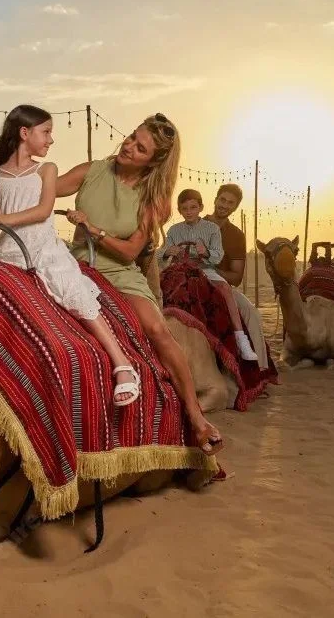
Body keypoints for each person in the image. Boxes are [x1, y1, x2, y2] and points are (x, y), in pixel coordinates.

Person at [56, 113, 223, 455]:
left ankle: (195, 417)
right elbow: (51, 187)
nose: (129, 146)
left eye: (140, 147)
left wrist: (94, 230)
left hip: (119, 271)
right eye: (131, 137)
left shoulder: (153, 199)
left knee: (157, 330)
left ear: (154, 160)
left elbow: (131, 249)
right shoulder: (93, 170)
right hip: (74, 263)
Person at [0, 105, 141, 406]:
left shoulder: (46, 170)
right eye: (46, 132)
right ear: (25, 133)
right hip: (8, 250)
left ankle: (122, 364)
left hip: (42, 249)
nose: (51, 140)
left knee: (74, 292)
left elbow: (42, 211)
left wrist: (2, 219)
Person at [160, 189, 259, 361]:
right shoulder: (175, 230)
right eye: (185, 208)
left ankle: (241, 339)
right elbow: (161, 253)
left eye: (230, 203)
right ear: (215, 200)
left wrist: (205, 253)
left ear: (200, 207)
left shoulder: (216, 230)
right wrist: (168, 251)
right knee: (159, 289)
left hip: (205, 270)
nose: (189, 211)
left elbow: (218, 256)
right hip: (179, 270)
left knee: (227, 291)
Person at [204, 183, 270, 370]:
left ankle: (259, 371)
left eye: (230, 203)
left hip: (221, 286)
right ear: (215, 200)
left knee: (251, 313)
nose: (224, 205)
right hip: (189, 282)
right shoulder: (194, 225)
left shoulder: (236, 235)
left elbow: (236, 277)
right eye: (222, 200)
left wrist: (211, 270)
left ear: (235, 207)